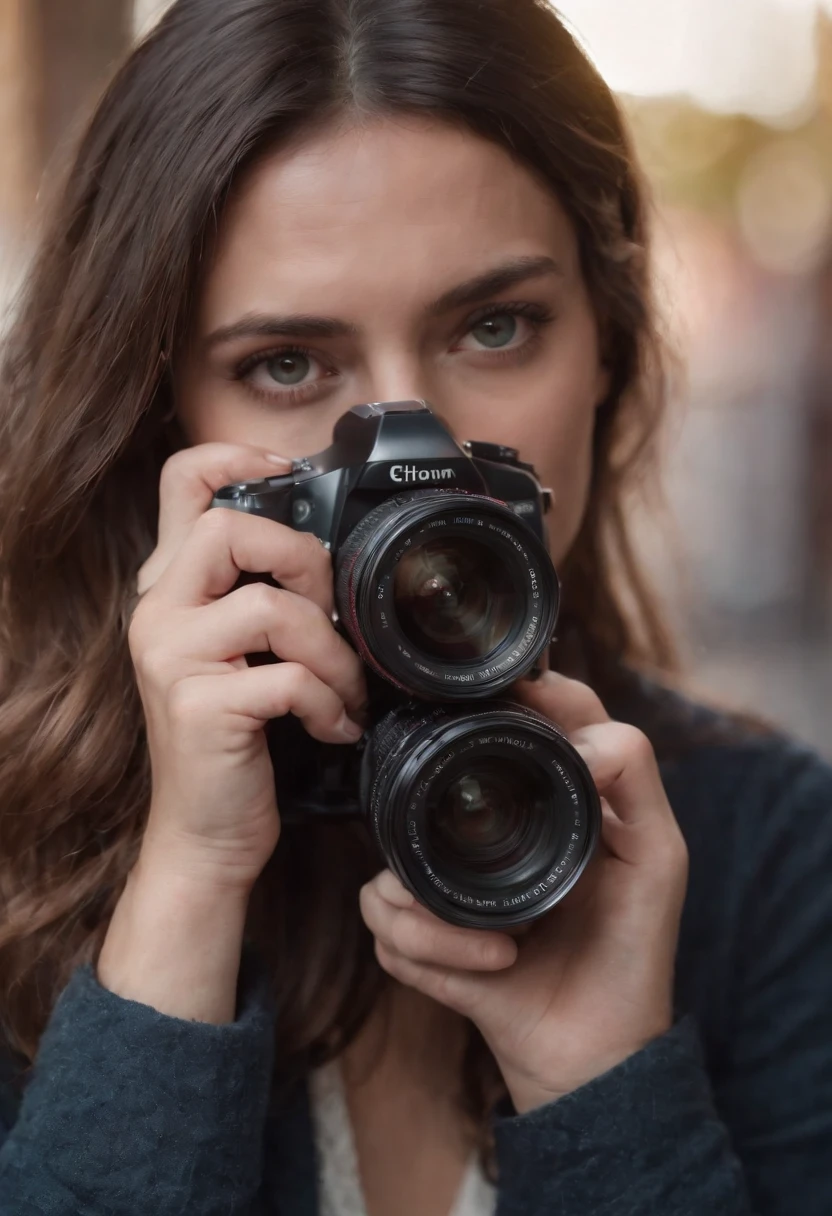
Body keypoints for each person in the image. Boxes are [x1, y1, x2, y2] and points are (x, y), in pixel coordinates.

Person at [0, 1, 830, 1212]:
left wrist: (603, 1083)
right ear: (154, 404)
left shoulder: (771, 861)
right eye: (287, 364)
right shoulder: (17, 852)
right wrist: (183, 890)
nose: (412, 443)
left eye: (494, 326)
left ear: (606, 342)